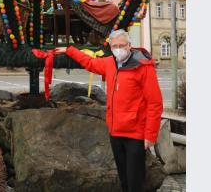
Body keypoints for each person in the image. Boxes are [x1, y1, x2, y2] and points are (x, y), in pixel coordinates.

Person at [56, 29, 163, 192]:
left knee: (135, 181)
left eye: (122, 45)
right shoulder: (109, 63)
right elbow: (90, 63)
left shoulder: (143, 67)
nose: (118, 49)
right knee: (124, 179)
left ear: (129, 45)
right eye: (115, 46)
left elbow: (155, 103)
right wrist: (70, 50)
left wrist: (150, 135)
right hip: (115, 132)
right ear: (111, 47)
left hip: (135, 134)